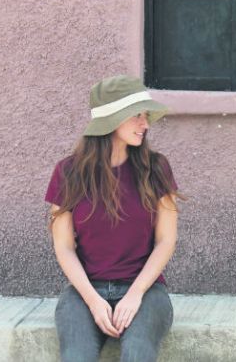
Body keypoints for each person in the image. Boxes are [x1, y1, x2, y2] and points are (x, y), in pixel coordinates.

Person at [44, 75, 185, 362]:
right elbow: (64, 247)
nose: (145, 124)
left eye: (145, 116)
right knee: (76, 356)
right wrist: (93, 301)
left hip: (146, 291)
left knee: (137, 353)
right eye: (136, 116)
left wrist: (134, 295)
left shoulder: (156, 168)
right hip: (86, 291)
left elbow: (166, 240)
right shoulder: (68, 172)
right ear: (111, 120)